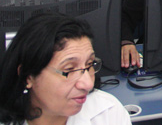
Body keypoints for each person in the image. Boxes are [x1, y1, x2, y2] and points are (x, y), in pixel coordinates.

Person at [0, 13, 131, 124]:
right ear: (27, 76)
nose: (88, 84)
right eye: (69, 70)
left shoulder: (108, 114)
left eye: (89, 64)